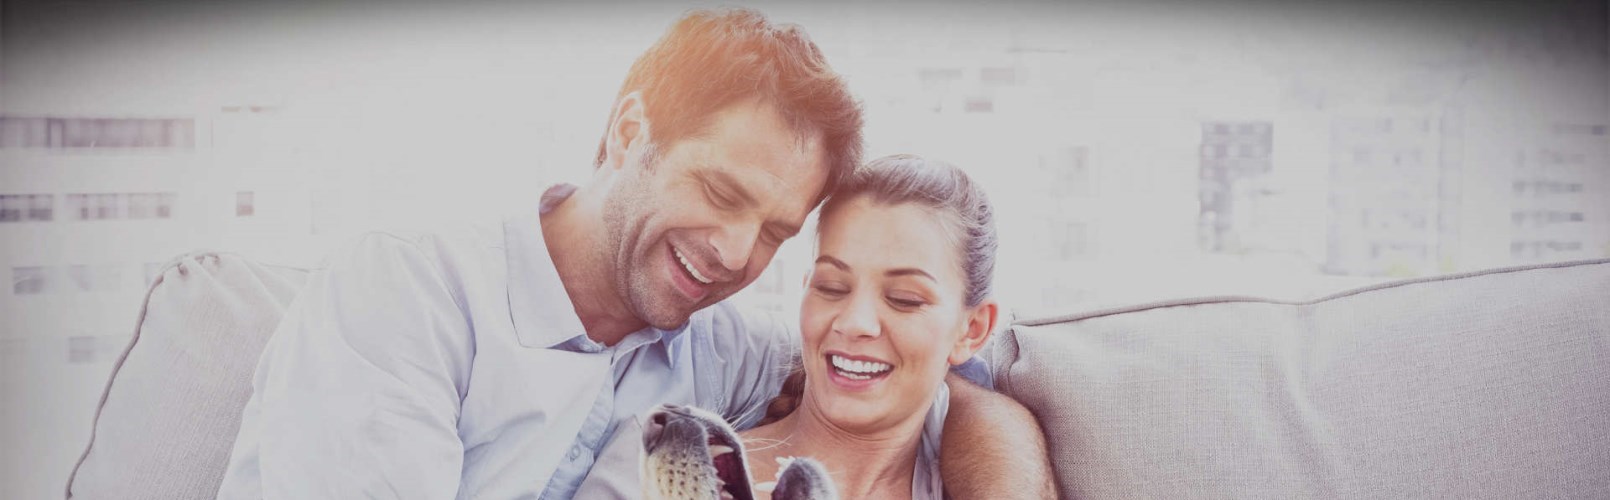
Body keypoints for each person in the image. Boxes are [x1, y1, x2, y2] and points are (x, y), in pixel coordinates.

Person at [217, 8, 1052, 499]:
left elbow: (940, 380)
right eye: (721, 194)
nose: (731, 254)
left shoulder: (720, 345)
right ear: (627, 131)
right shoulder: (406, 292)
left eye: (773, 233)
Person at [577, 154, 1039, 500]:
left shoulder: (978, 476)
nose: (855, 322)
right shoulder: (663, 460)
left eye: (904, 300)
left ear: (973, 330)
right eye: (832, 287)